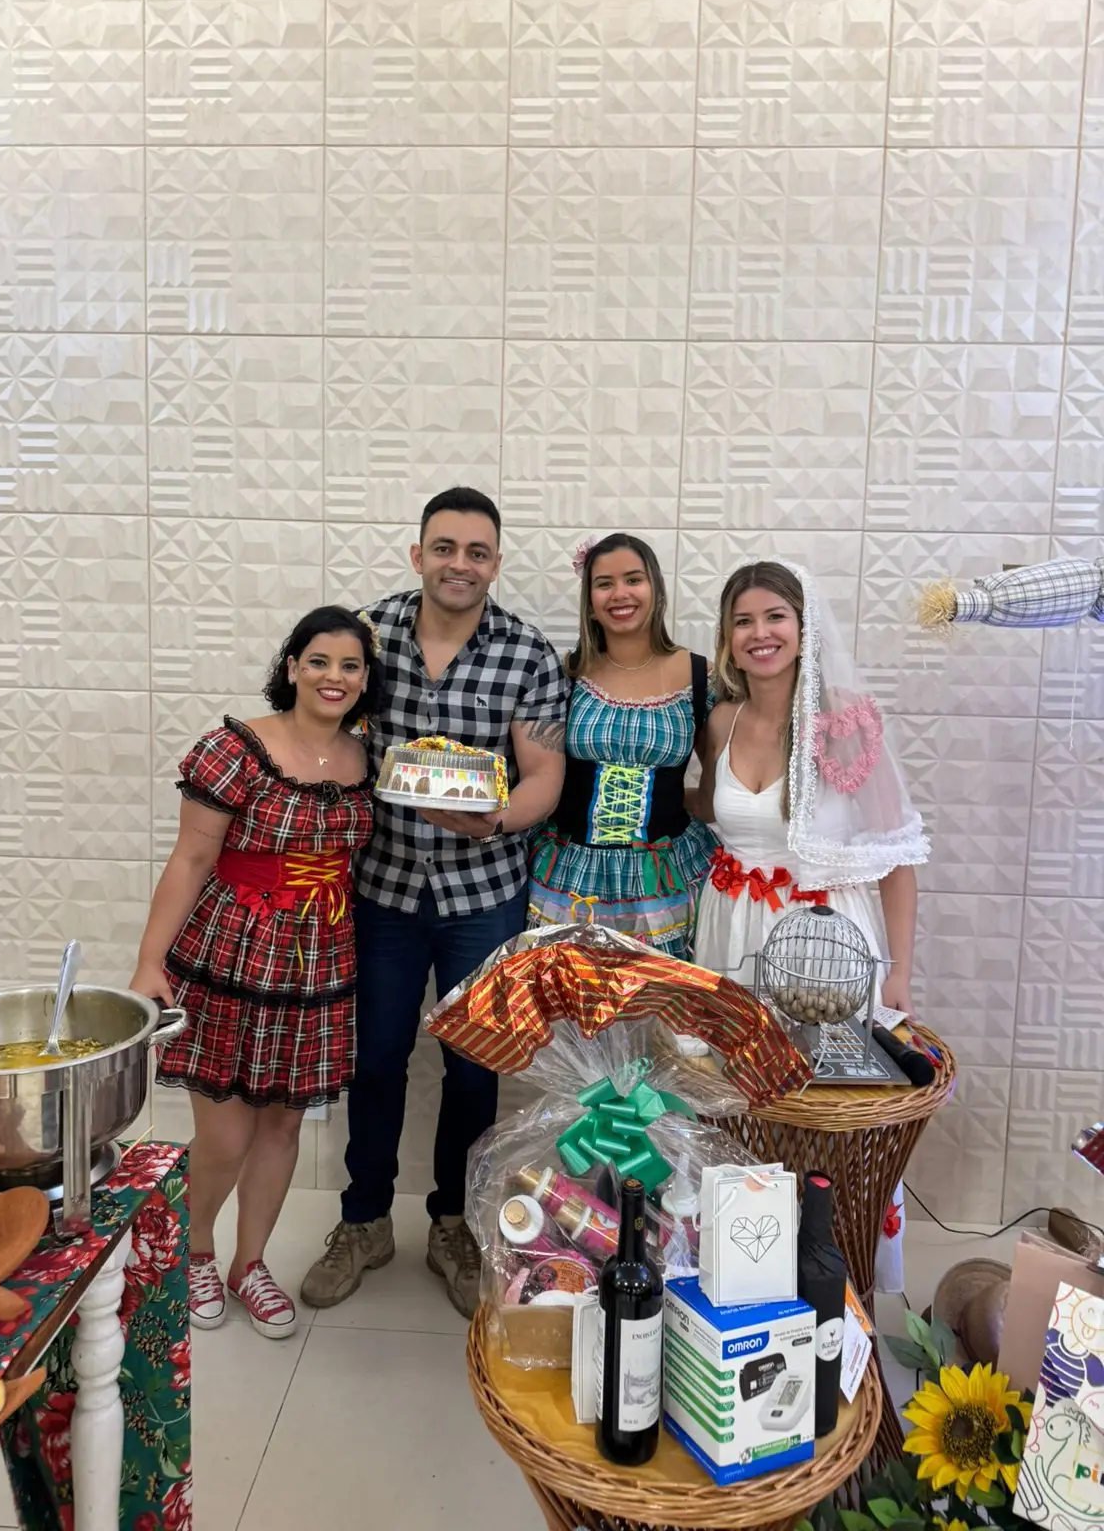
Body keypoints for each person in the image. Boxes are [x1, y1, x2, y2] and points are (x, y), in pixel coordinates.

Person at [300, 487, 569, 1320]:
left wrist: (497, 819)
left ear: (496, 563)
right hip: (381, 887)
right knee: (376, 1058)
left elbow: (544, 775)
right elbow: (321, 729)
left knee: (474, 1067)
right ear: (418, 554)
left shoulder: (526, 652)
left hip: (483, 892)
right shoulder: (368, 635)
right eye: (444, 548)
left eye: (477, 552)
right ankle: (363, 1221)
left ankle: (455, 1223)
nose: (460, 564)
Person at [130, 607, 382, 1340]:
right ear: (293, 667)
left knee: (283, 1125)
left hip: (321, 957)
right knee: (226, 1134)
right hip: (234, 951)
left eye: (351, 666)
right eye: (319, 661)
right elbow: (191, 859)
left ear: (366, 679)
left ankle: (250, 1264)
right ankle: (195, 1252)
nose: (334, 677)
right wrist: (148, 961)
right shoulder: (236, 749)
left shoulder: (369, 760)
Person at [690, 560, 928, 1290]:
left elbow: (897, 855)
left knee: (822, 1111)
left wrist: (898, 975)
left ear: (804, 627)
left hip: (822, 940)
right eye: (743, 621)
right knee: (738, 1105)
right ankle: (744, 1271)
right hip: (730, 930)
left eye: (775, 617)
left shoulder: (843, 721)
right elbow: (712, 809)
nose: (759, 634)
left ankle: (831, 1276)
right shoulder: (722, 721)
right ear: (727, 638)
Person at [527, 533, 716, 959]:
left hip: (664, 877)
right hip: (570, 875)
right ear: (589, 599)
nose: (620, 594)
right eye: (604, 583)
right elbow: (538, 771)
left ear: (656, 588)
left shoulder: (701, 677)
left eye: (633, 579)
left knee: (658, 995)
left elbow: (717, 791)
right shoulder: (565, 674)